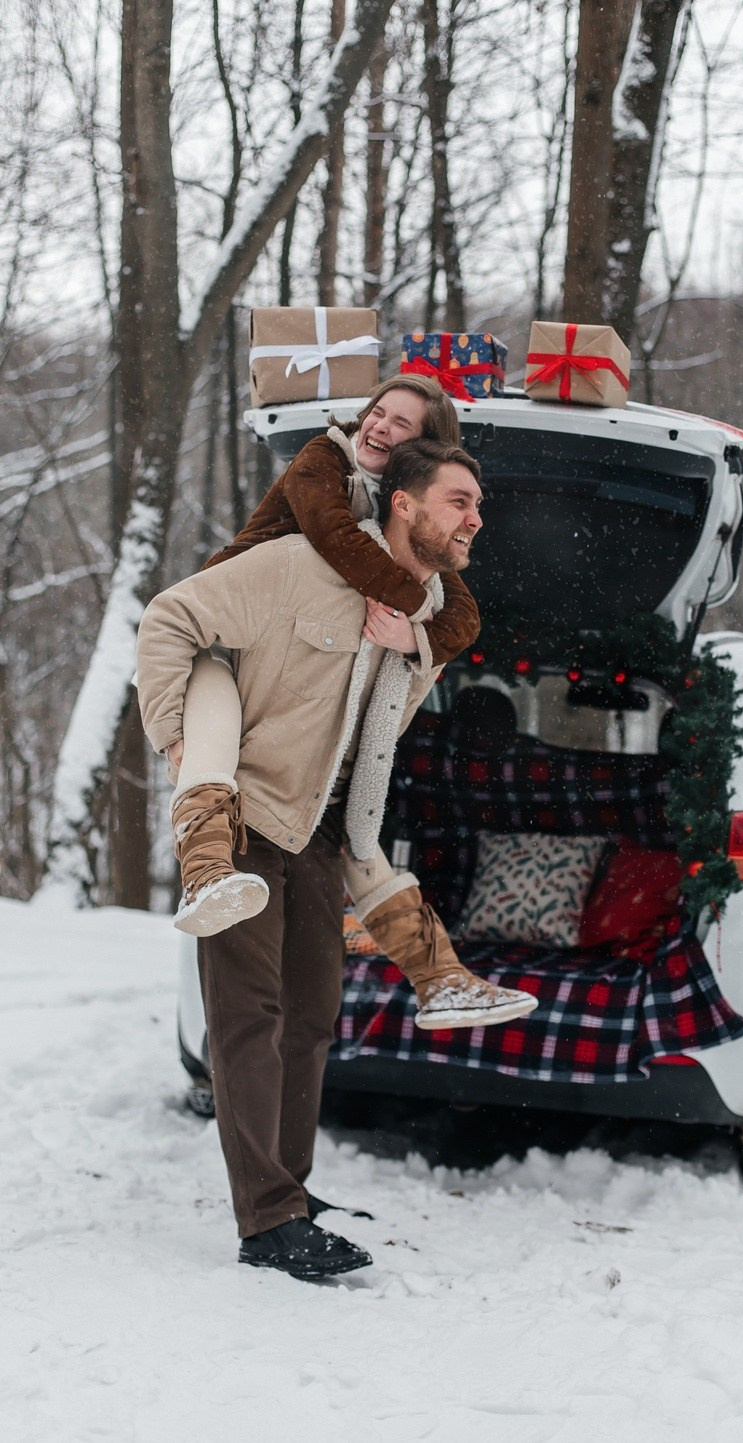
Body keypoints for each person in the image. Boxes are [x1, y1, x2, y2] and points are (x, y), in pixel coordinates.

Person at [136, 440, 537, 1280]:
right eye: (460, 501)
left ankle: (293, 1188)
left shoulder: (419, 605)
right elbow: (171, 617)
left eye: (477, 505)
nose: (476, 518)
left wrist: (412, 643)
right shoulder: (294, 567)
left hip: (319, 824)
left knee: (313, 1016)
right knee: (249, 1015)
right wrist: (178, 735)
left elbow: (379, 725)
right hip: (245, 811)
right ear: (404, 503)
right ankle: (267, 1219)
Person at [162, 373, 518, 1030]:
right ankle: (207, 868)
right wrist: (413, 607)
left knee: (359, 833)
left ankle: (439, 977)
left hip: (286, 662)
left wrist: (415, 637)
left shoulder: (401, 508)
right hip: (227, 637)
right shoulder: (328, 458)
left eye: (400, 424)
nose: (378, 426)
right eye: (377, 412)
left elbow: (462, 618)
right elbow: (332, 538)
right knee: (208, 745)